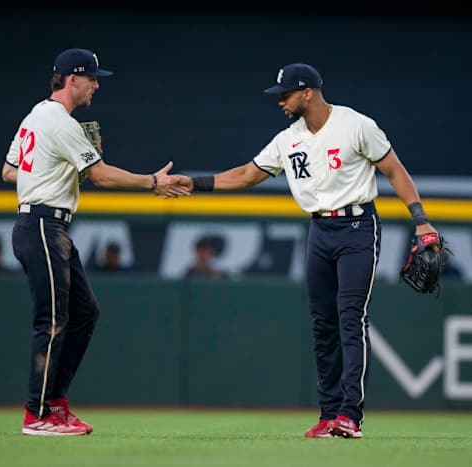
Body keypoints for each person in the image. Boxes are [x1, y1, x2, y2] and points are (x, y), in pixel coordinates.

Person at [178, 63, 441, 439]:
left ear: (307, 93)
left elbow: (394, 170)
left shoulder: (355, 124)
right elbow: (246, 174)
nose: (280, 101)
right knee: (322, 324)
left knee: (350, 317)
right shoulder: (289, 140)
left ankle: (350, 415)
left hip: (357, 227)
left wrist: (420, 219)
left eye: (285, 95)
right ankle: (329, 413)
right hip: (319, 229)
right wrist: (194, 182)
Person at [0, 47, 189, 436]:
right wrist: (153, 182)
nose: (97, 85)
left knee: (85, 313)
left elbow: (9, 171)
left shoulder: (36, 115)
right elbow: (102, 176)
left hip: (50, 226)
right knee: (51, 320)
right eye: (92, 78)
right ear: (72, 79)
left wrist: (60, 164)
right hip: (40, 225)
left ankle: (56, 404)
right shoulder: (59, 122)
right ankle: (38, 414)